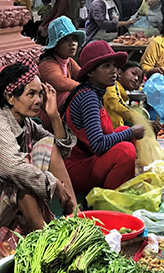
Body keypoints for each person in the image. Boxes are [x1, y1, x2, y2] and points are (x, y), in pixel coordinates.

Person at [0, 60, 78, 234]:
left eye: (40, 94)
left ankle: (76, 217)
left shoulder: (26, 123)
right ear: (11, 98)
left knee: (47, 146)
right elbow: (14, 170)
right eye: (31, 94)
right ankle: (46, 239)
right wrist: (53, 183)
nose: (38, 100)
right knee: (20, 180)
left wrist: (54, 116)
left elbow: (60, 151)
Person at [62, 41, 146, 194]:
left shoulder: (94, 93)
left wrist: (128, 132)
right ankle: (109, 199)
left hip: (89, 161)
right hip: (75, 170)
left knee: (123, 130)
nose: (114, 71)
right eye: (106, 66)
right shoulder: (88, 98)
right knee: (126, 150)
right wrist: (132, 133)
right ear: (90, 73)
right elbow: (98, 144)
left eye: (114, 65)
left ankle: (122, 185)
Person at [38, 17, 86, 109]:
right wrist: (86, 88)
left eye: (74, 39)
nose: (72, 43)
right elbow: (62, 83)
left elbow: (81, 75)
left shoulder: (69, 61)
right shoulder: (47, 64)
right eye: (65, 40)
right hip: (49, 113)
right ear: (55, 46)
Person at [104, 60, 144, 128]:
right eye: (133, 73)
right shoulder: (112, 86)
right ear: (119, 73)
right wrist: (141, 119)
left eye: (139, 79)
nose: (136, 79)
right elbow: (116, 104)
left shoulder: (121, 93)